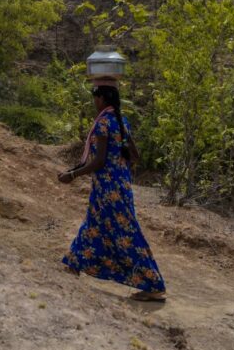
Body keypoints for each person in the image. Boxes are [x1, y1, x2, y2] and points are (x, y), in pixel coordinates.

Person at [60, 83, 166, 302]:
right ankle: (74, 263)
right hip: (120, 187)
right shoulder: (121, 121)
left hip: (107, 189)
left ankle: (154, 284)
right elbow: (135, 155)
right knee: (95, 225)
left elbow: (98, 162)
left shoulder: (103, 124)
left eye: (95, 99)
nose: (94, 103)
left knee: (126, 234)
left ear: (102, 100)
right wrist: (119, 165)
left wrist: (73, 175)